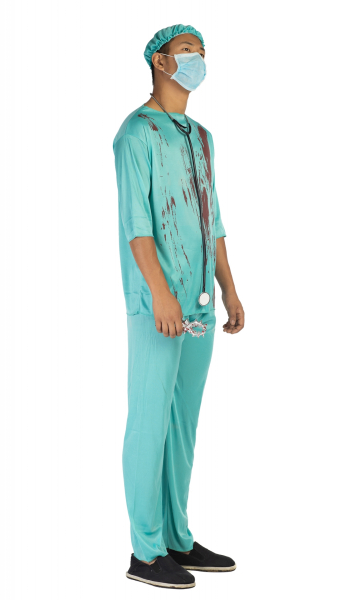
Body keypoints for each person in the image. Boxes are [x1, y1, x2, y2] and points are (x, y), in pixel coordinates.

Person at [113, 24, 245, 590]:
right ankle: (145, 552)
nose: (198, 59)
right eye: (187, 50)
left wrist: (229, 289)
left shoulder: (203, 136)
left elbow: (213, 218)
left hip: (200, 303)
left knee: (182, 425)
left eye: (202, 52)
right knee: (149, 423)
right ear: (160, 61)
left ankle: (177, 539)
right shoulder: (135, 133)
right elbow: (136, 224)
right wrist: (160, 294)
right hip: (157, 306)